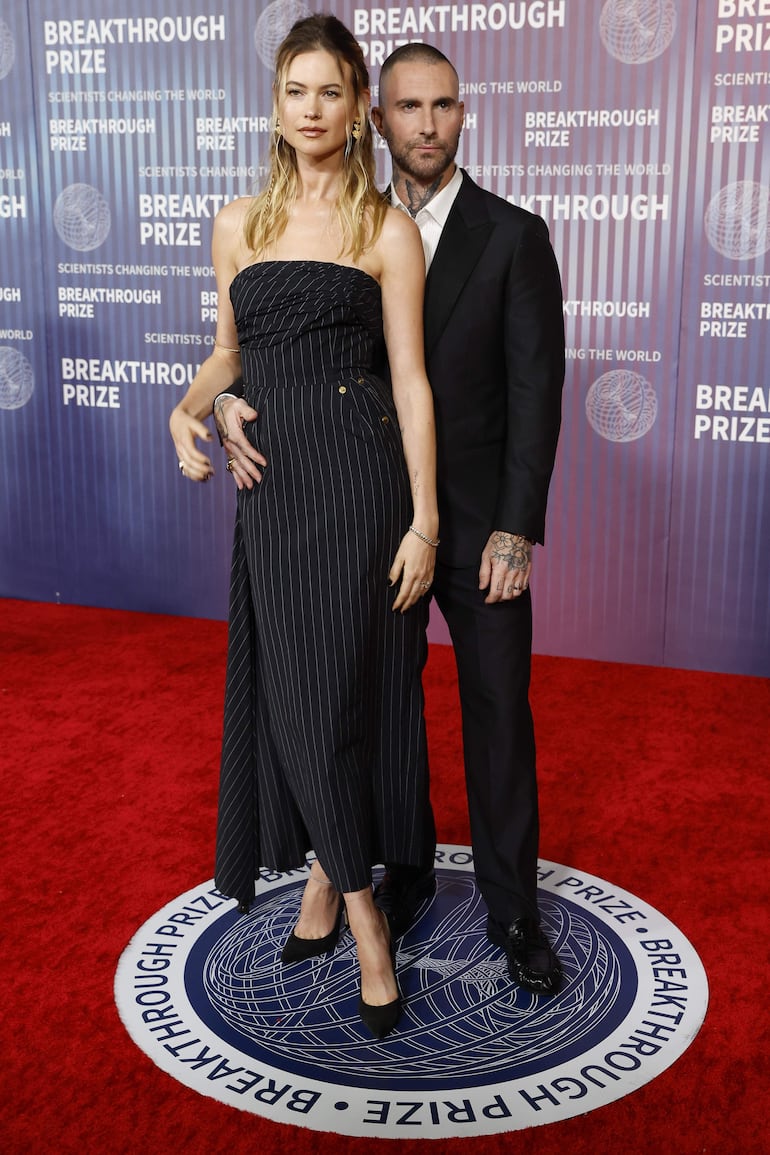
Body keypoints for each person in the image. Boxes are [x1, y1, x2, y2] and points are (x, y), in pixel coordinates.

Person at [168, 14, 439, 1039]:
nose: (312, 109)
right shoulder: (236, 223)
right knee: (296, 700)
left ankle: (357, 916)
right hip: (272, 490)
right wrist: (191, 406)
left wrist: (424, 522)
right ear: (275, 104)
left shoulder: (385, 228)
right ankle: (339, 886)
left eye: (330, 91)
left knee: (346, 695)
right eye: (296, 91)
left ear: (355, 104)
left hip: (362, 484)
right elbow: (230, 354)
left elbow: (408, 383)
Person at [369, 44, 565, 995]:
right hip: (381, 522)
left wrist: (517, 527)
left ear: (465, 114)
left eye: (443, 106)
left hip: (485, 522)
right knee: (389, 713)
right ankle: (404, 872)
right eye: (408, 107)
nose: (427, 124)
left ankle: (514, 909)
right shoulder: (348, 231)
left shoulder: (512, 234)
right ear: (380, 119)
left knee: (496, 715)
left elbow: (537, 391)